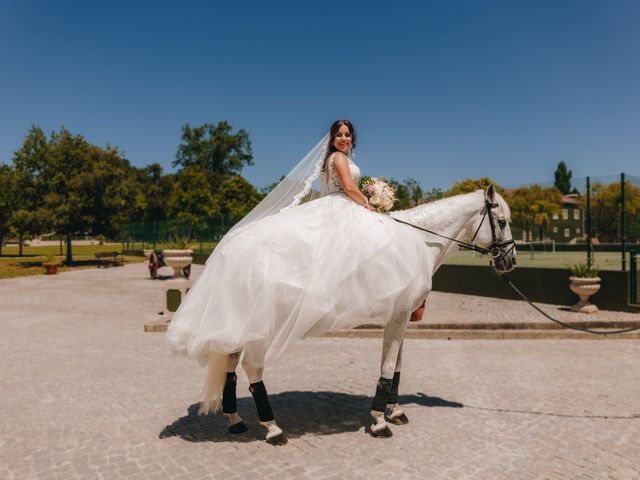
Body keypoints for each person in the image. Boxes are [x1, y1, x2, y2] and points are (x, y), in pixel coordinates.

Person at [166, 120, 431, 365]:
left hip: (339, 205)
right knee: (379, 239)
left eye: (347, 135)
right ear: (332, 139)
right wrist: (369, 204)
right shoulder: (337, 158)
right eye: (339, 134)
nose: (343, 138)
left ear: (353, 139)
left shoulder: (335, 158)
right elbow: (349, 188)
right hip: (342, 205)